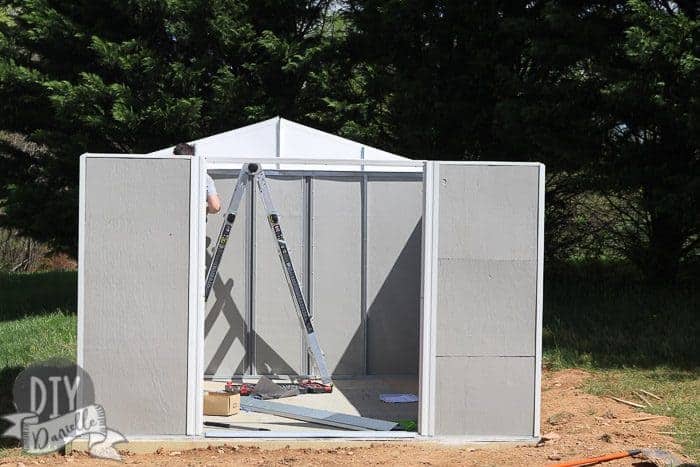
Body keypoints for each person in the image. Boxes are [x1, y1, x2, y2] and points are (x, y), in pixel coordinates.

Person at [173, 143, 221, 214]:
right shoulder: (203, 177)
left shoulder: (168, 175)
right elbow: (215, 207)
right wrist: (204, 210)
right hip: (194, 222)